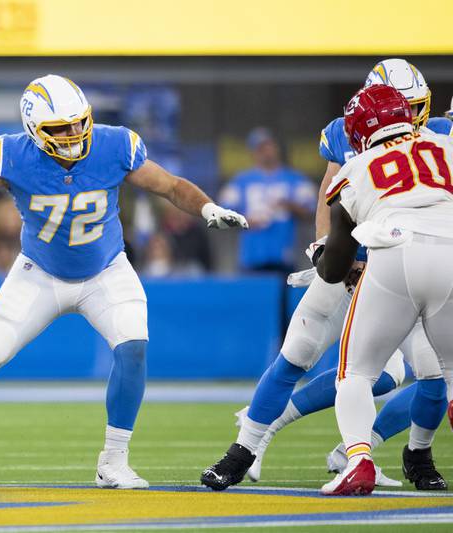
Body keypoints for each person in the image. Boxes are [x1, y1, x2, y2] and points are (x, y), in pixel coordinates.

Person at [0, 74, 248, 489]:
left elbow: (171, 186)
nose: (75, 135)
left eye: (79, 123)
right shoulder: (13, 156)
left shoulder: (114, 144)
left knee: (133, 347)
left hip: (106, 270)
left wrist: (205, 208)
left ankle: (113, 461)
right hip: (39, 273)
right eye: (61, 129)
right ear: (34, 132)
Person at [200, 58, 453, 491]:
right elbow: (328, 201)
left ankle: (405, 454)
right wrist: (329, 254)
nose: (411, 117)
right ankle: (244, 448)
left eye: (416, 106)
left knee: (421, 374)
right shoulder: (356, 138)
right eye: (402, 107)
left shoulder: (437, 137)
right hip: (364, 254)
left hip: (395, 258)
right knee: (298, 351)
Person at [318, 84, 453, 495]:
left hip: (395, 254)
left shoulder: (354, 170)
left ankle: (359, 459)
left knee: (355, 373)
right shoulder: (445, 145)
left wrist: (318, 256)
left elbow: (334, 267)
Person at [220, 128, 315, 275]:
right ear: (253, 152)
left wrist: (291, 206)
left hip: (284, 254)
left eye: (269, 146)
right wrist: (245, 220)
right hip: (252, 256)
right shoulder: (241, 181)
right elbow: (222, 214)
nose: (266, 152)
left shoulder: (295, 179)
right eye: (260, 148)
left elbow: (312, 211)